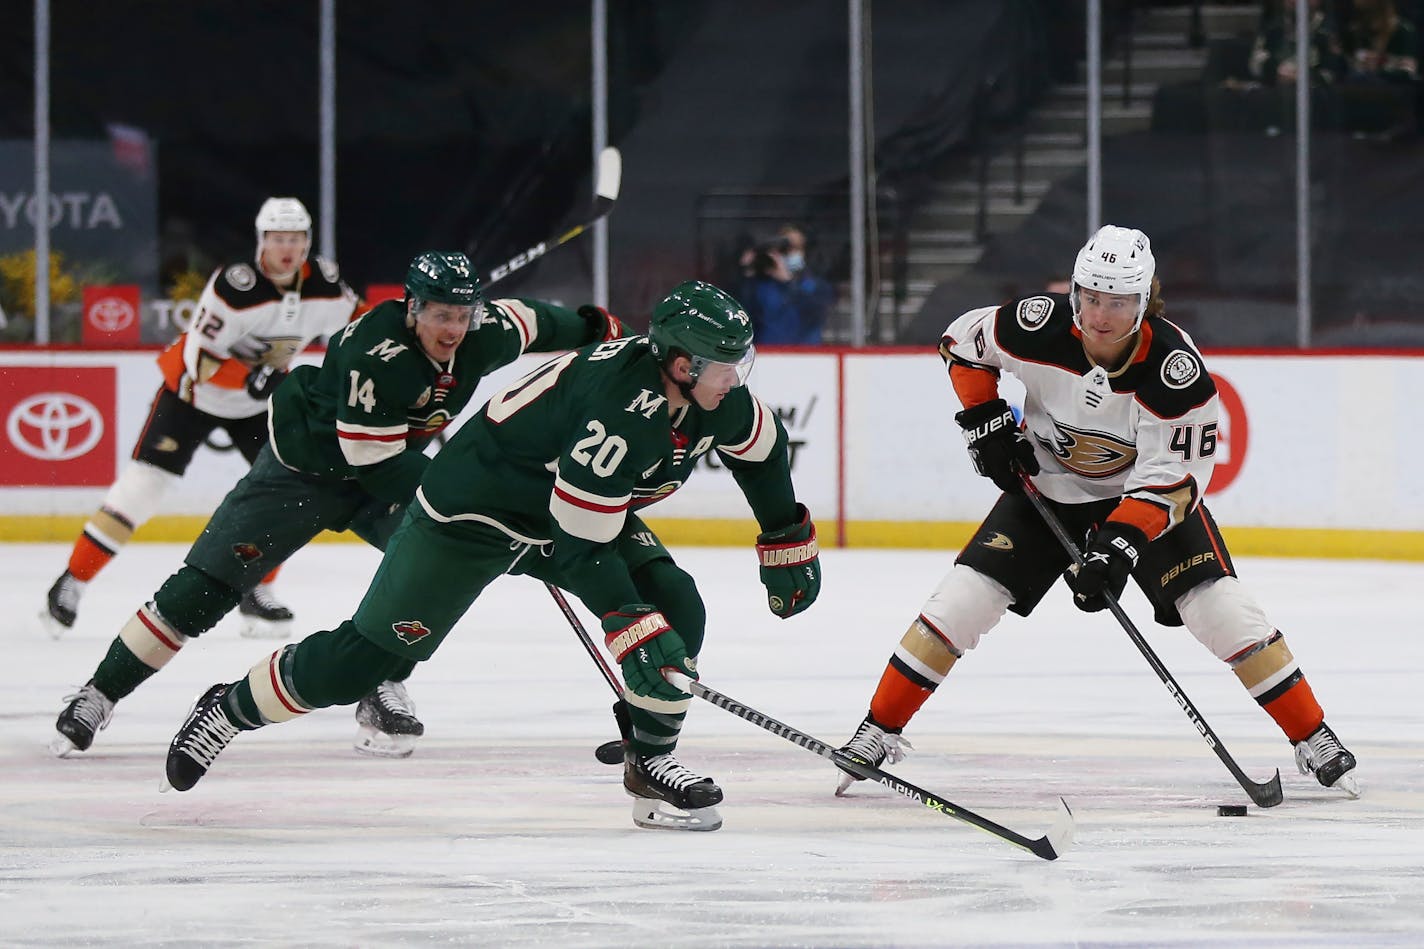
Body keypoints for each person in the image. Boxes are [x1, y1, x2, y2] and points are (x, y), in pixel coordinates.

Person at [161, 280, 823, 834]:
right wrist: (629, 623)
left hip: (569, 509)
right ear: (681, 363)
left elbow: (761, 449)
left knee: (677, 603)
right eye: (725, 363)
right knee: (368, 658)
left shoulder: (713, 396)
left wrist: (784, 534)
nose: (738, 377)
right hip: (473, 512)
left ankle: (649, 763)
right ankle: (228, 708)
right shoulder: (619, 409)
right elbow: (582, 543)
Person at [834, 225, 1360, 801]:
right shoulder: (1037, 324)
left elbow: (1174, 483)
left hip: (1137, 498)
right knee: (961, 601)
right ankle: (878, 729)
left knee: (1223, 611)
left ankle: (1314, 736)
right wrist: (984, 420)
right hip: (1046, 491)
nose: (1101, 315)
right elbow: (963, 343)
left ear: (1144, 303)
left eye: (1119, 302)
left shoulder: (1174, 371)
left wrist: (1117, 547)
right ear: (1075, 292)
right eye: (1090, 297)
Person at [51, 250, 626, 761]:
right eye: (439, 315)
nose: (453, 329)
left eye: (462, 315)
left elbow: (550, 323)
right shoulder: (373, 353)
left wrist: (607, 334)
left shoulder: (490, 328)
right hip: (306, 472)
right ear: (411, 310)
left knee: (432, 574)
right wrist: (474, 498)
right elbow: (376, 463)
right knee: (203, 590)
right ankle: (98, 694)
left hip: (384, 466)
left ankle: (380, 684)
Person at [41, 197, 358, 640]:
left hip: (256, 405)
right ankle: (72, 580)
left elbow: (361, 323)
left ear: (307, 242)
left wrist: (407, 318)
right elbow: (199, 361)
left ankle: (259, 590)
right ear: (261, 241)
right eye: (277, 239)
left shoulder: (325, 284)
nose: (287, 249)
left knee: (293, 491)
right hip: (192, 395)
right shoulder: (235, 287)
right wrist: (253, 375)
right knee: (142, 488)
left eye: (296, 239)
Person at [739, 225, 834, 345]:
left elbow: (816, 313)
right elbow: (743, 315)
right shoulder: (761, 285)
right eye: (783, 249)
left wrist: (787, 282)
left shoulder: (816, 285)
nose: (788, 254)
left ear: (804, 251)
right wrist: (749, 271)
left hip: (807, 355)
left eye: (794, 248)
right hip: (767, 353)